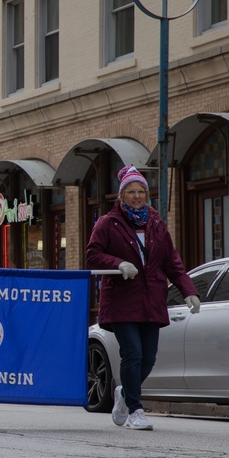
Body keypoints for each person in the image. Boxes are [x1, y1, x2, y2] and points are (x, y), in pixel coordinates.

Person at [85, 166, 200, 432]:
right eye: (131, 192)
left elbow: (172, 261)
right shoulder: (107, 222)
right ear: (121, 195)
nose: (137, 196)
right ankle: (136, 410)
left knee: (148, 358)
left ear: (147, 195)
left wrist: (189, 290)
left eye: (141, 192)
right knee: (133, 354)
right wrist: (119, 263)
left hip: (152, 299)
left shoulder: (156, 223)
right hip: (122, 299)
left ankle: (125, 392)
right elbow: (92, 255)